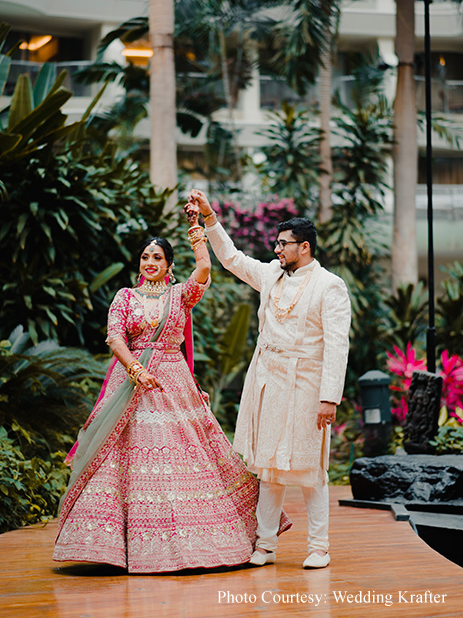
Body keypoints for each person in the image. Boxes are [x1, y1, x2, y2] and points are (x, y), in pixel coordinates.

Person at [53, 205, 290, 573]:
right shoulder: (125, 297)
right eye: (146, 256)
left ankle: (205, 542)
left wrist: (196, 227)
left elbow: (206, 269)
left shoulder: (180, 295)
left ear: (168, 264)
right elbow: (115, 336)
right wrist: (134, 368)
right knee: (121, 456)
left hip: (173, 381)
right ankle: (108, 547)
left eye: (158, 257)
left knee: (188, 451)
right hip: (131, 381)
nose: (150, 262)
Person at [187, 190, 351, 569]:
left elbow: (337, 344)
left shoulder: (330, 286)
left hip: (308, 386)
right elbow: (230, 258)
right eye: (276, 243)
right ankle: (264, 545)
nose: (276, 249)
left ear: (304, 247)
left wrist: (330, 398)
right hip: (267, 381)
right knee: (268, 467)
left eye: (283, 244)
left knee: (311, 469)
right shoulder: (271, 274)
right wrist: (210, 217)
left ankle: (319, 547)